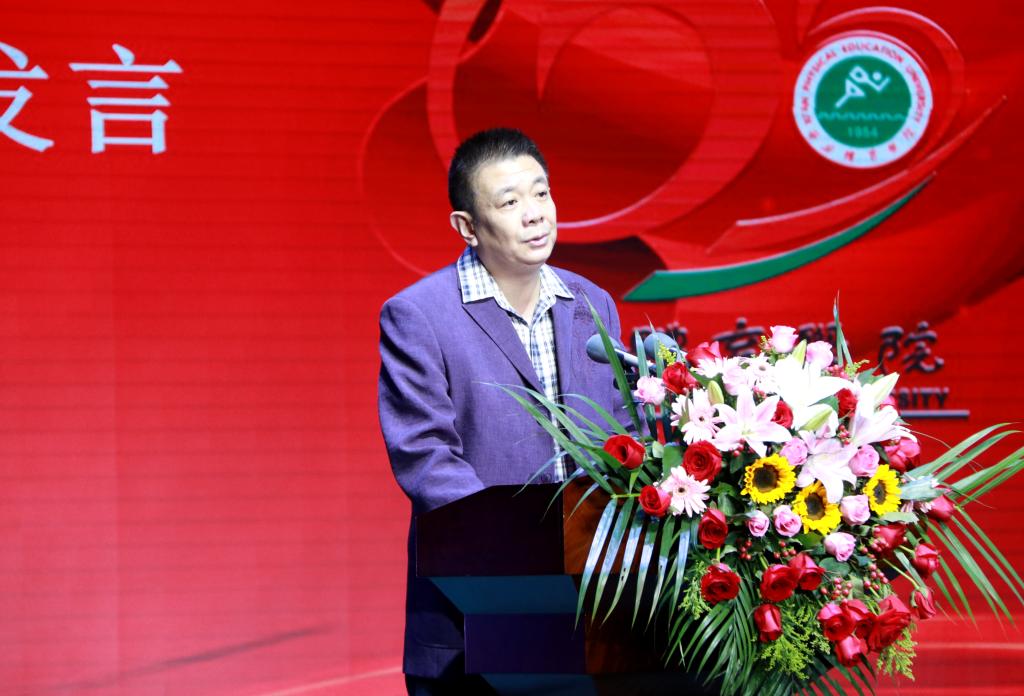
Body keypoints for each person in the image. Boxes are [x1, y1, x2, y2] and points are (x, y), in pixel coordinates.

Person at [377, 128, 625, 694]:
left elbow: (624, 434)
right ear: (467, 227)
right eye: (510, 202)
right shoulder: (419, 315)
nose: (535, 214)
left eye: (542, 193)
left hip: (597, 608)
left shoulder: (592, 304)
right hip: (479, 610)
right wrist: (522, 550)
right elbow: (424, 457)